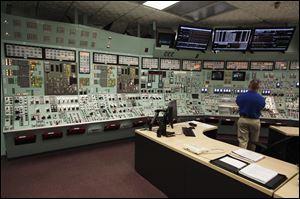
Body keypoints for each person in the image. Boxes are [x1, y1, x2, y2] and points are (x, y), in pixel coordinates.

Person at [236, 79, 266, 151]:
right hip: (255, 121)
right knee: (254, 141)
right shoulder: (261, 99)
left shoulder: (241, 96)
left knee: (243, 140)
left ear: (249, 86)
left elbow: (238, 104)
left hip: (243, 119)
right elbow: (261, 107)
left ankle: (241, 156)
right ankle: (251, 156)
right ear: (258, 88)